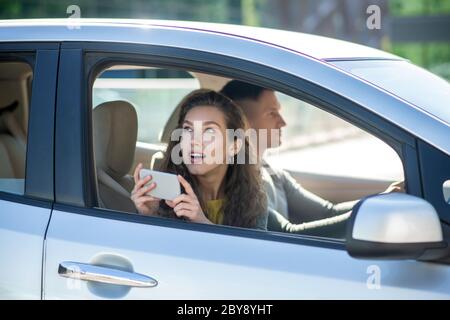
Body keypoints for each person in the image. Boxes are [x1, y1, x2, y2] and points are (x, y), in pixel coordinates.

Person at [220, 80, 403, 236]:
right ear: (240, 121)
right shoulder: (233, 184)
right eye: (271, 113)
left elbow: (326, 213)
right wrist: (375, 211)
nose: (283, 122)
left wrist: (384, 198)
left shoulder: (272, 173)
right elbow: (289, 234)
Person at [131, 89, 268, 230]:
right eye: (188, 129)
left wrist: (203, 223)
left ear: (234, 146)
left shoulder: (252, 198)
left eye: (209, 131)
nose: (194, 141)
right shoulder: (162, 197)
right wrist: (149, 216)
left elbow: (253, 251)